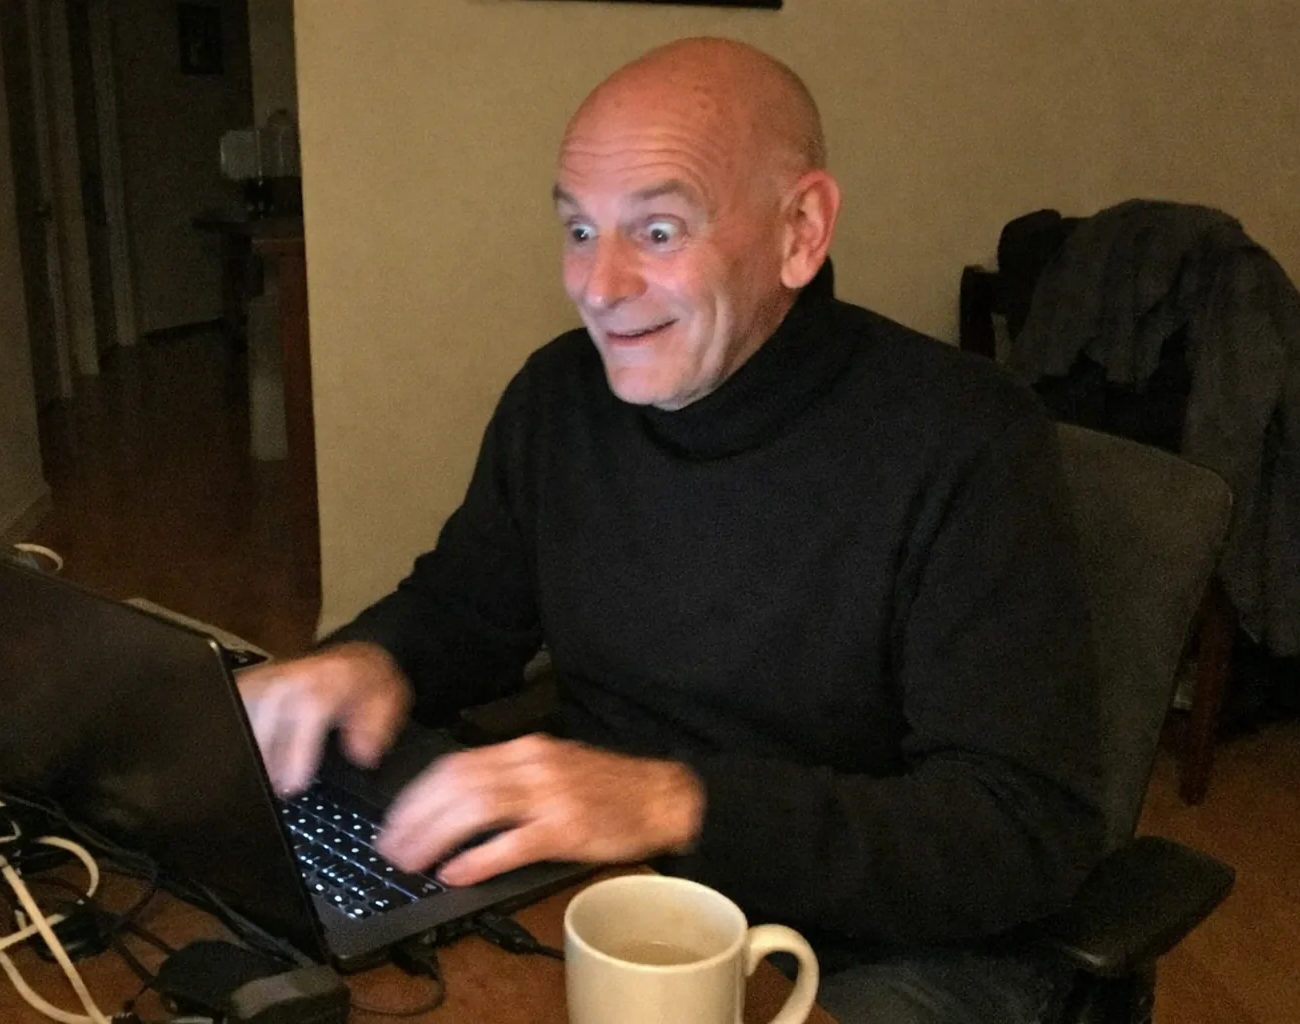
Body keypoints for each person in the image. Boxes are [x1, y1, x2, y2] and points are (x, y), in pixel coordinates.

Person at [242, 37, 1105, 1023]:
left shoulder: (967, 439)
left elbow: (1022, 827)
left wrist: (673, 802)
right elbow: (465, 605)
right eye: (577, 229)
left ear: (800, 229)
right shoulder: (560, 399)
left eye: (656, 231)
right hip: (608, 887)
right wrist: (374, 660)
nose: (597, 285)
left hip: (874, 941)